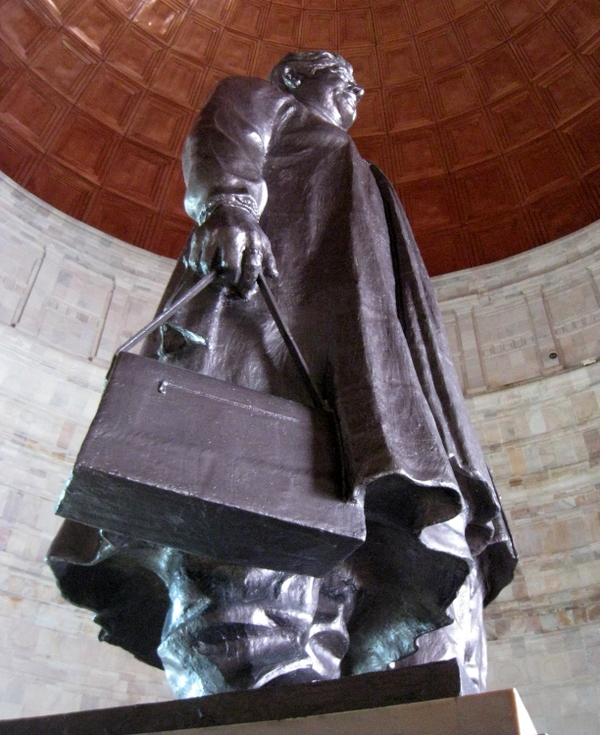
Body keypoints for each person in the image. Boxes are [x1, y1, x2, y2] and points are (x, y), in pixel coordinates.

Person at [49, 51, 517, 697]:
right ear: (296, 78)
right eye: (338, 72)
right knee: (250, 561)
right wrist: (228, 206)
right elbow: (226, 135)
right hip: (264, 335)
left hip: (367, 368)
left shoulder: (362, 171)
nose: (357, 86)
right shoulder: (267, 101)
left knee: (397, 556)